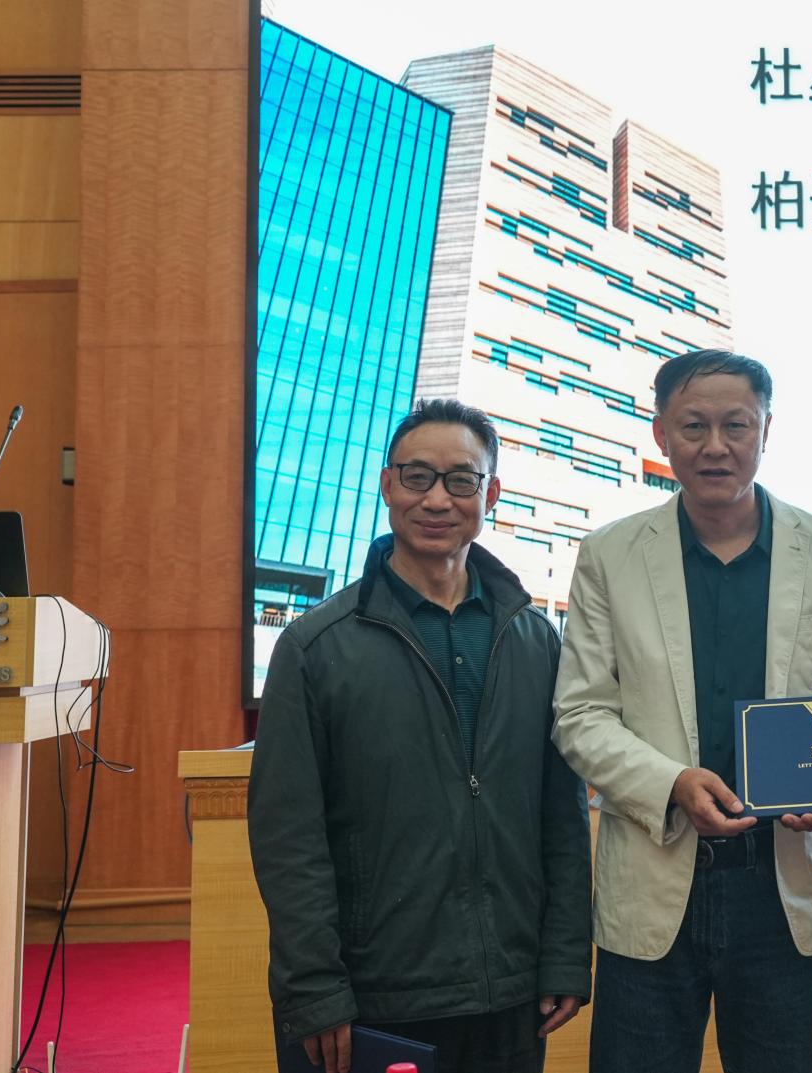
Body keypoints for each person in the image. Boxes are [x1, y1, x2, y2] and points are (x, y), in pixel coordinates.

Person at [552, 349, 812, 1073]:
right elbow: (580, 714)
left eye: (736, 425)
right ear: (660, 433)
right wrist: (672, 782)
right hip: (653, 877)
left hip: (787, 885)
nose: (715, 445)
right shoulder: (609, 554)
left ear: (766, 430)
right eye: (693, 425)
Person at [249, 398, 591, 1073]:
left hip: (508, 991)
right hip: (372, 995)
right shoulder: (315, 645)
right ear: (387, 484)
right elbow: (288, 836)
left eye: (461, 480)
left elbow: (562, 815)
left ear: (491, 494)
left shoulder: (535, 641)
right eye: (417, 476)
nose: (437, 498)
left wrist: (564, 955)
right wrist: (314, 989)